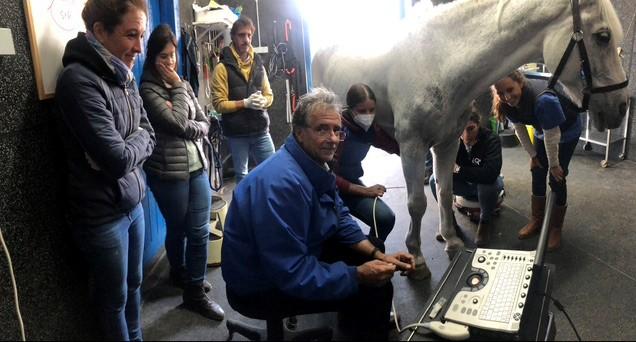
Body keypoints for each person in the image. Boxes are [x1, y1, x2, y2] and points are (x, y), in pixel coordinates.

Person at [221, 88, 415, 340]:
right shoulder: (281, 186)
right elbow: (292, 273)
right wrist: (356, 275)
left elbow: (339, 214)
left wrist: (378, 254)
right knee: (371, 291)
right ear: (300, 133)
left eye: (336, 130)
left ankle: (354, 323)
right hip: (259, 285)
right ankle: (360, 323)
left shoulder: (313, 163)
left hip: (292, 255)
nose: (332, 138)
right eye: (322, 129)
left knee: (372, 251)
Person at [55, 0, 155, 340]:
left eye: (141, 36)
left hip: (132, 202)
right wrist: (131, 146)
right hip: (101, 216)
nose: (139, 48)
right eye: (131, 35)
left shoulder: (122, 76)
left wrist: (132, 145)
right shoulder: (78, 81)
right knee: (114, 300)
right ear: (99, 30)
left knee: (135, 285)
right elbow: (116, 159)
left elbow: (149, 132)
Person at [139, 24, 224, 321]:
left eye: (173, 56)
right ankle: (180, 273)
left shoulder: (184, 84)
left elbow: (204, 121)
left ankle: (194, 293)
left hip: (197, 167)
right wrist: (176, 90)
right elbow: (176, 122)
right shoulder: (147, 90)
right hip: (168, 174)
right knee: (178, 229)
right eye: (164, 57)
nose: (170, 62)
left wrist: (193, 125)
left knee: (199, 232)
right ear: (153, 58)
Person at [492, 70, 583, 251]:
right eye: (501, 93)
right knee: (537, 170)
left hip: (566, 131)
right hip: (544, 129)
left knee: (557, 177)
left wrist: (555, 166)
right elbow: (519, 128)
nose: (507, 97)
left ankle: (556, 227)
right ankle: (537, 219)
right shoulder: (505, 103)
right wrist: (533, 156)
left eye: (510, 90)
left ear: (521, 83)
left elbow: (553, 136)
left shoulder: (544, 101)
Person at [210, 15, 275, 184]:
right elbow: (218, 104)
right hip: (237, 133)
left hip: (260, 130)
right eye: (241, 35)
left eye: (249, 35)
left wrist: (264, 102)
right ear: (233, 37)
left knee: (273, 171)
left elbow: (269, 95)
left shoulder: (258, 65)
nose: (246, 40)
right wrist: (244, 103)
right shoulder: (222, 68)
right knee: (242, 177)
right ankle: (245, 209)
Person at [333, 83, 399, 241]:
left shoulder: (369, 130)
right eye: (362, 111)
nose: (368, 115)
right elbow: (328, 177)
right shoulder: (338, 131)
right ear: (350, 109)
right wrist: (365, 191)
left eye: (372, 110)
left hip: (350, 183)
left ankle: (371, 251)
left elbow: (392, 146)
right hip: (329, 189)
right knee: (334, 229)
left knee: (385, 219)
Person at [429, 107, 504, 247]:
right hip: (465, 184)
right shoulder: (452, 140)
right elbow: (444, 169)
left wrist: (459, 170)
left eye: (471, 129)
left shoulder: (491, 140)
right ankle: (449, 221)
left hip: (485, 185)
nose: (466, 136)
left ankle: (485, 222)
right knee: (434, 180)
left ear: (478, 125)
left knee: (489, 183)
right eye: (461, 130)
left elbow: (490, 173)